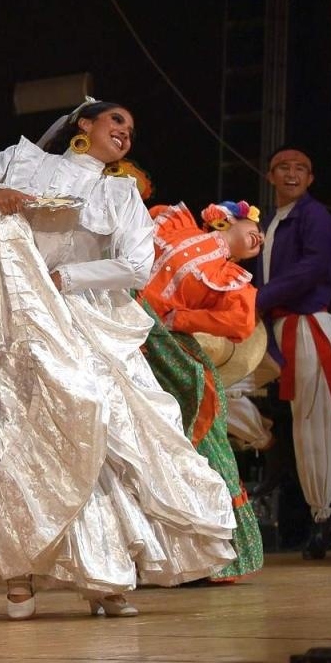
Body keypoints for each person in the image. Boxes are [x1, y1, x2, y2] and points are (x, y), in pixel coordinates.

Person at [0, 98, 236, 619]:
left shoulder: (119, 191)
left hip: (87, 319)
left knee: (100, 432)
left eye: (131, 128)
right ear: (84, 124)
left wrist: (70, 280)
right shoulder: (23, 162)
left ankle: (102, 574)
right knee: (17, 435)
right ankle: (19, 574)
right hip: (20, 323)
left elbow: (137, 263)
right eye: (116, 121)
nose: (125, 133)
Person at [138, 200, 266, 579]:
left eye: (260, 240)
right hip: (126, 323)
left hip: (163, 339)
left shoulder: (232, 278)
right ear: (228, 219)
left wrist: (181, 317)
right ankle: (147, 557)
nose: (259, 235)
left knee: (199, 430)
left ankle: (217, 554)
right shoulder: (178, 225)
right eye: (253, 225)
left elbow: (240, 324)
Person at [250, 146, 331, 559]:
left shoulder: (314, 217)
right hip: (272, 328)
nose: (292, 174)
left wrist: (259, 299)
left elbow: (314, 268)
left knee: (312, 425)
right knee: (228, 388)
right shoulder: (268, 222)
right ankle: (264, 439)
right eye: (283, 168)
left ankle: (319, 518)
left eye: (300, 169)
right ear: (270, 175)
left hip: (306, 327)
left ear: (310, 179)